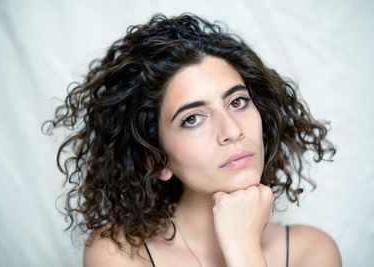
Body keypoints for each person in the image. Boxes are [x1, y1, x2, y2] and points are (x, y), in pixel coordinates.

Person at [44, 13, 342, 267]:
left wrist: (244, 249)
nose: (232, 131)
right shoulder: (118, 253)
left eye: (237, 102)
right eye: (192, 119)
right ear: (157, 159)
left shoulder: (312, 252)